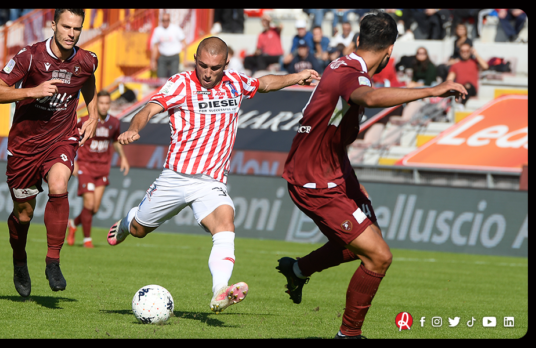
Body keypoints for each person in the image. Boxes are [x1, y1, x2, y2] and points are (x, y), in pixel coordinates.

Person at [276, 11, 467, 339]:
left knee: (364, 243)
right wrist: (433, 89)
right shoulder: (355, 77)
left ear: (358, 39)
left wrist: (345, 173)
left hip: (332, 167)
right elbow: (369, 97)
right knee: (378, 256)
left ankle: (298, 269)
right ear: (390, 50)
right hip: (314, 180)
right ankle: (349, 335)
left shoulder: (343, 65)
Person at [106, 36, 319, 314]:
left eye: (214, 68)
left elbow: (266, 83)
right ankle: (127, 221)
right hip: (175, 177)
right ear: (195, 59)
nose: (207, 73)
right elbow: (148, 109)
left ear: (226, 64)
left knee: (225, 223)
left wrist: (298, 76)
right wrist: (135, 128)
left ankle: (220, 290)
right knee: (139, 231)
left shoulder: (235, 82)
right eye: (202, 65)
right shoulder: (180, 84)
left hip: (210, 182)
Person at [0, 9, 99, 297]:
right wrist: (30, 91)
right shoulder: (30, 56)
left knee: (59, 183)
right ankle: (19, 260)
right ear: (53, 25)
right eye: (66, 27)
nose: (71, 33)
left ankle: (53, 261)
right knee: (24, 215)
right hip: (24, 148)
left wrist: (93, 116)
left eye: (77, 28)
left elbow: (88, 81)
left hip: (61, 138)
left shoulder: (87, 60)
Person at [67, 90, 129, 248]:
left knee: (94, 208)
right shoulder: (85, 121)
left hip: (102, 169)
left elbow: (115, 141)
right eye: (101, 103)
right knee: (88, 204)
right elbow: (72, 140)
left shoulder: (114, 122)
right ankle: (87, 239)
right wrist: (72, 161)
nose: (104, 106)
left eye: (107, 103)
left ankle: (73, 223)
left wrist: (123, 157)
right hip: (85, 167)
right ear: (96, 104)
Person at [447, 42, 488, 107]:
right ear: (460, 52)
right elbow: (449, 80)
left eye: (467, 51)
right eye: (463, 51)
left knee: (467, 86)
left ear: (470, 51)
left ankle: (461, 105)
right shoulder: (455, 64)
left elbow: (485, 66)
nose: (465, 52)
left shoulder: (474, 62)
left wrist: (476, 54)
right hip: (460, 88)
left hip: (471, 88)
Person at [150, 12, 187, 78]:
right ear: (161, 21)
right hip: (163, 56)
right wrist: (153, 61)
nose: (165, 22)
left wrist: (184, 59)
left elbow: (184, 44)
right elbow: (155, 46)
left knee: (174, 78)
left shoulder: (176, 29)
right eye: (163, 20)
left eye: (167, 20)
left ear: (169, 20)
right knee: (160, 78)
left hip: (174, 57)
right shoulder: (158, 30)